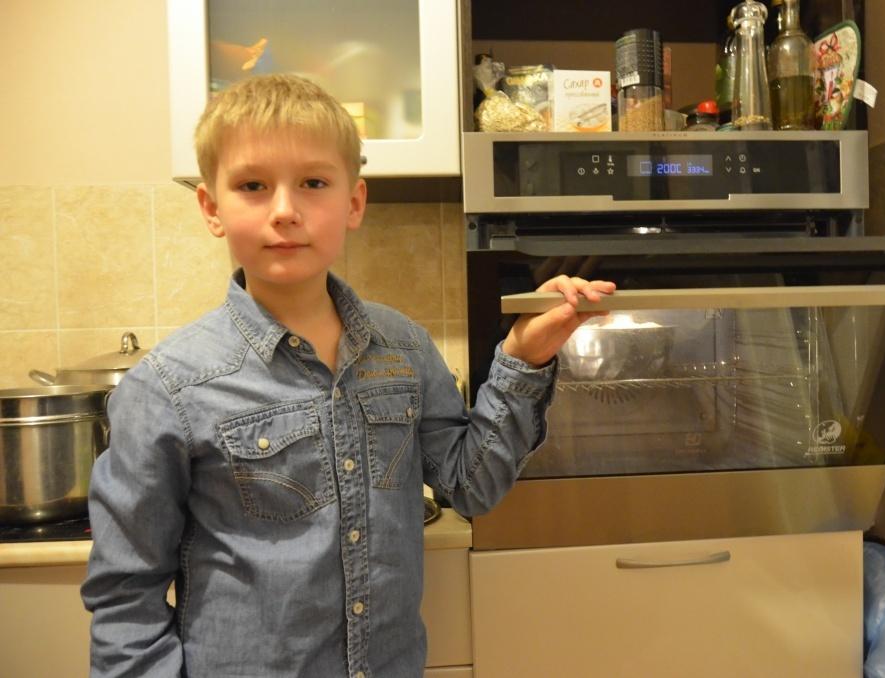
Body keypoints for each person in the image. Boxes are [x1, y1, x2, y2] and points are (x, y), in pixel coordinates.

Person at [80, 73, 614, 678]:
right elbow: (126, 597)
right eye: (253, 186)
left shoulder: (404, 347)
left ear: (353, 202)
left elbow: (471, 485)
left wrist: (522, 355)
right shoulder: (168, 387)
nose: (285, 211)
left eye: (313, 183)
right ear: (211, 208)